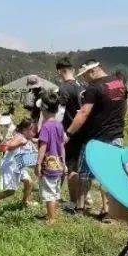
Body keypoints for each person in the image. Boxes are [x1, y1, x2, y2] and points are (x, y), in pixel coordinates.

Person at [65, 60, 128, 218]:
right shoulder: (119, 84)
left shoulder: (93, 88)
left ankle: (79, 209)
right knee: (110, 175)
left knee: (85, 174)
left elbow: (84, 112)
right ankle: (108, 211)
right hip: (116, 136)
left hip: (95, 138)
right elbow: (123, 107)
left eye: (85, 75)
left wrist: (69, 133)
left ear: (92, 71)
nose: (85, 79)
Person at [0, 119, 36, 212]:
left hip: (18, 166)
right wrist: (19, 144)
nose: (34, 133)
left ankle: (24, 202)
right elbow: (7, 147)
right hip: (10, 167)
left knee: (29, 182)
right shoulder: (20, 137)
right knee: (10, 191)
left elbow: (26, 157)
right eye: (32, 130)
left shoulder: (26, 139)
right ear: (25, 130)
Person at [55, 59, 84, 211]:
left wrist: (55, 130)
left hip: (69, 133)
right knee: (80, 169)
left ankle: (73, 203)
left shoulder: (64, 88)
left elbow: (60, 112)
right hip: (83, 132)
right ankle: (83, 200)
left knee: (70, 169)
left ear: (60, 71)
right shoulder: (81, 86)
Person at [35, 92, 66, 225]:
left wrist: (38, 163)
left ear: (43, 109)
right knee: (55, 190)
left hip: (48, 165)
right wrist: (64, 162)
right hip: (58, 163)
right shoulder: (59, 125)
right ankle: (51, 214)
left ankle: (51, 219)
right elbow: (62, 145)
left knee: (49, 193)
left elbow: (43, 147)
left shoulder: (45, 127)